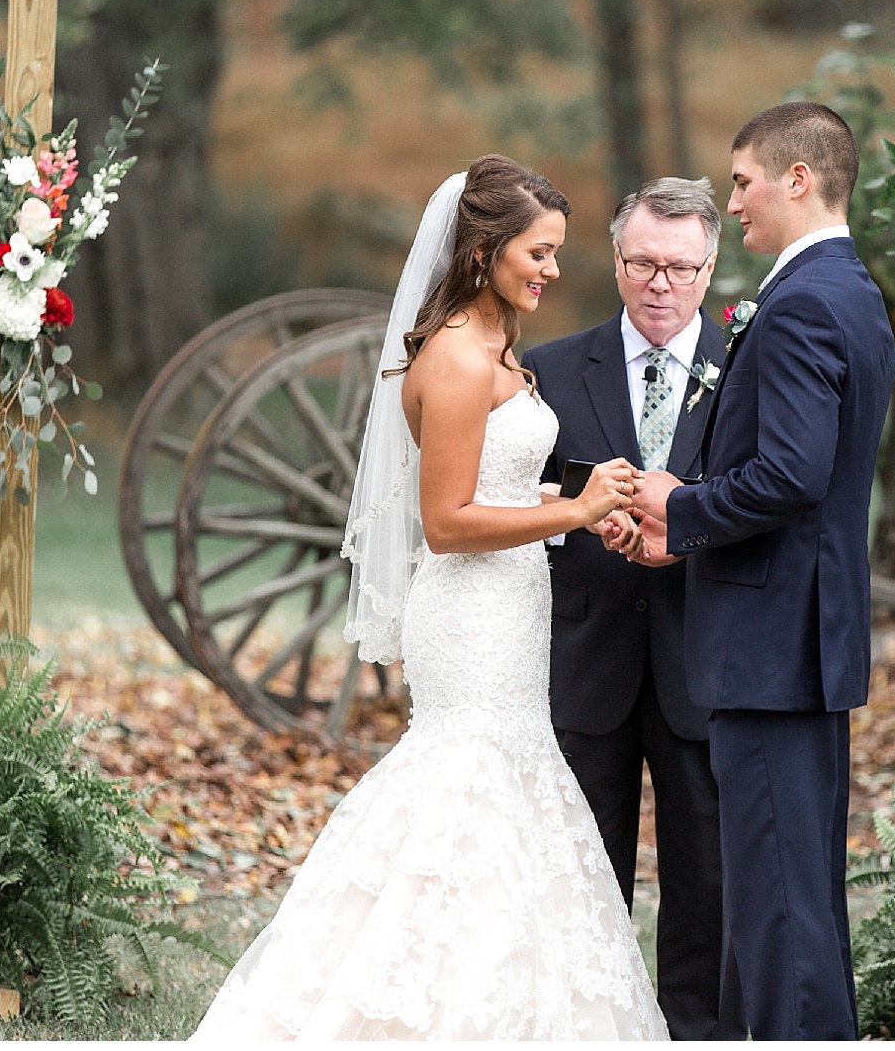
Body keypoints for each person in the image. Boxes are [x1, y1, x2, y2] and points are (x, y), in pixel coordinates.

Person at [193, 155, 668, 1040]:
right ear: (484, 247)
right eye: (540, 251)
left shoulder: (495, 342)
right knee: (465, 788)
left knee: (513, 788)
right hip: (471, 616)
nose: (553, 271)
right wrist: (571, 506)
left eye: (558, 253)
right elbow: (446, 521)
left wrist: (578, 506)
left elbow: (495, 484)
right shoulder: (454, 354)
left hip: (515, 608)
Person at [631, 102, 895, 1040]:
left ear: (797, 178)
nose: (731, 200)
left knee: (779, 910)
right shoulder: (848, 288)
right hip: (801, 642)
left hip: (771, 648)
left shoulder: (802, 304)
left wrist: (680, 509)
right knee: (793, 901)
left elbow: (791, 472)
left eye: (742, 181)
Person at [520, 177, 739, 1041]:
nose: (660, 283)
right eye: (643, 262)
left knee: (706, 875)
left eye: (681, 268)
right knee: (582, 870)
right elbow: (527, 497)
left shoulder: (745, 365)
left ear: (710, 267)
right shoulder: (550, 368)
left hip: (702, 652)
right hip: (588, 651)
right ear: (615, 259)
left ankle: (697, 1032)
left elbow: (758, 494)